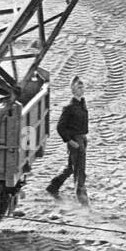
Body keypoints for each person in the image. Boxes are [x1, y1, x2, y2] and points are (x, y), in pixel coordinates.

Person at [46, 75, 89, 204]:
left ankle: (53, 186)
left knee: (71, 167)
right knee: (80, 170)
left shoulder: (82, 103)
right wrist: (70, 141)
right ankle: (82, 199)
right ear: (72, 89)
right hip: (75, 141)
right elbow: (60, 127)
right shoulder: (69, 107)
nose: (81, 89)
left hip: (82, 138)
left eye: (82, 87)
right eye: (78, 87)